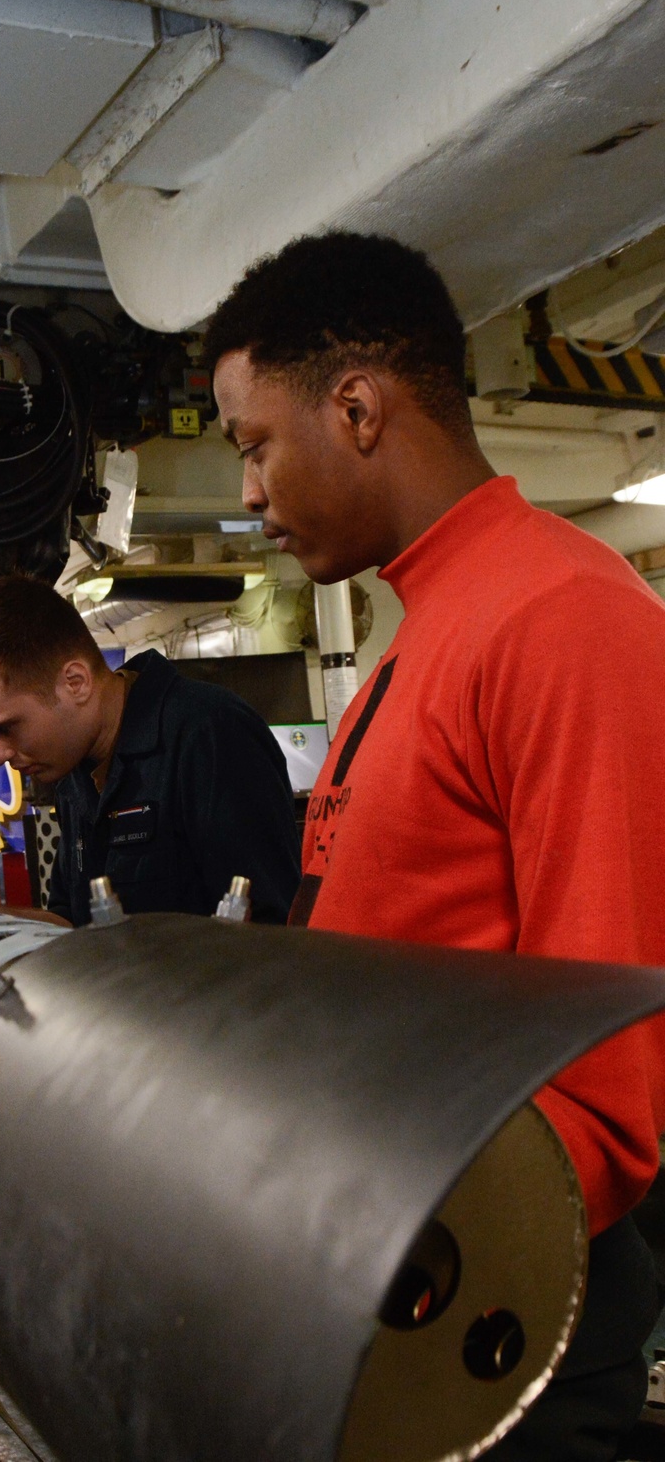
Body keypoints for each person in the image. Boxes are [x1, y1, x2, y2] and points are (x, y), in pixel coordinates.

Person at [204, 230, 665, 1461]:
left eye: (255, 445)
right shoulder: (426, 623)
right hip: (382, 1255)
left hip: (493, 1305)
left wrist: (377, 1235)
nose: (248, 493)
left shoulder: (563, 622)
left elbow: (611, 1084)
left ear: (356, 407)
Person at [0, 574, 301, 927]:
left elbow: (268, 929)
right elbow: (74, 927)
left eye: (6, 727)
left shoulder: (208, 735)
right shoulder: (75, 775)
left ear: (75, 682)